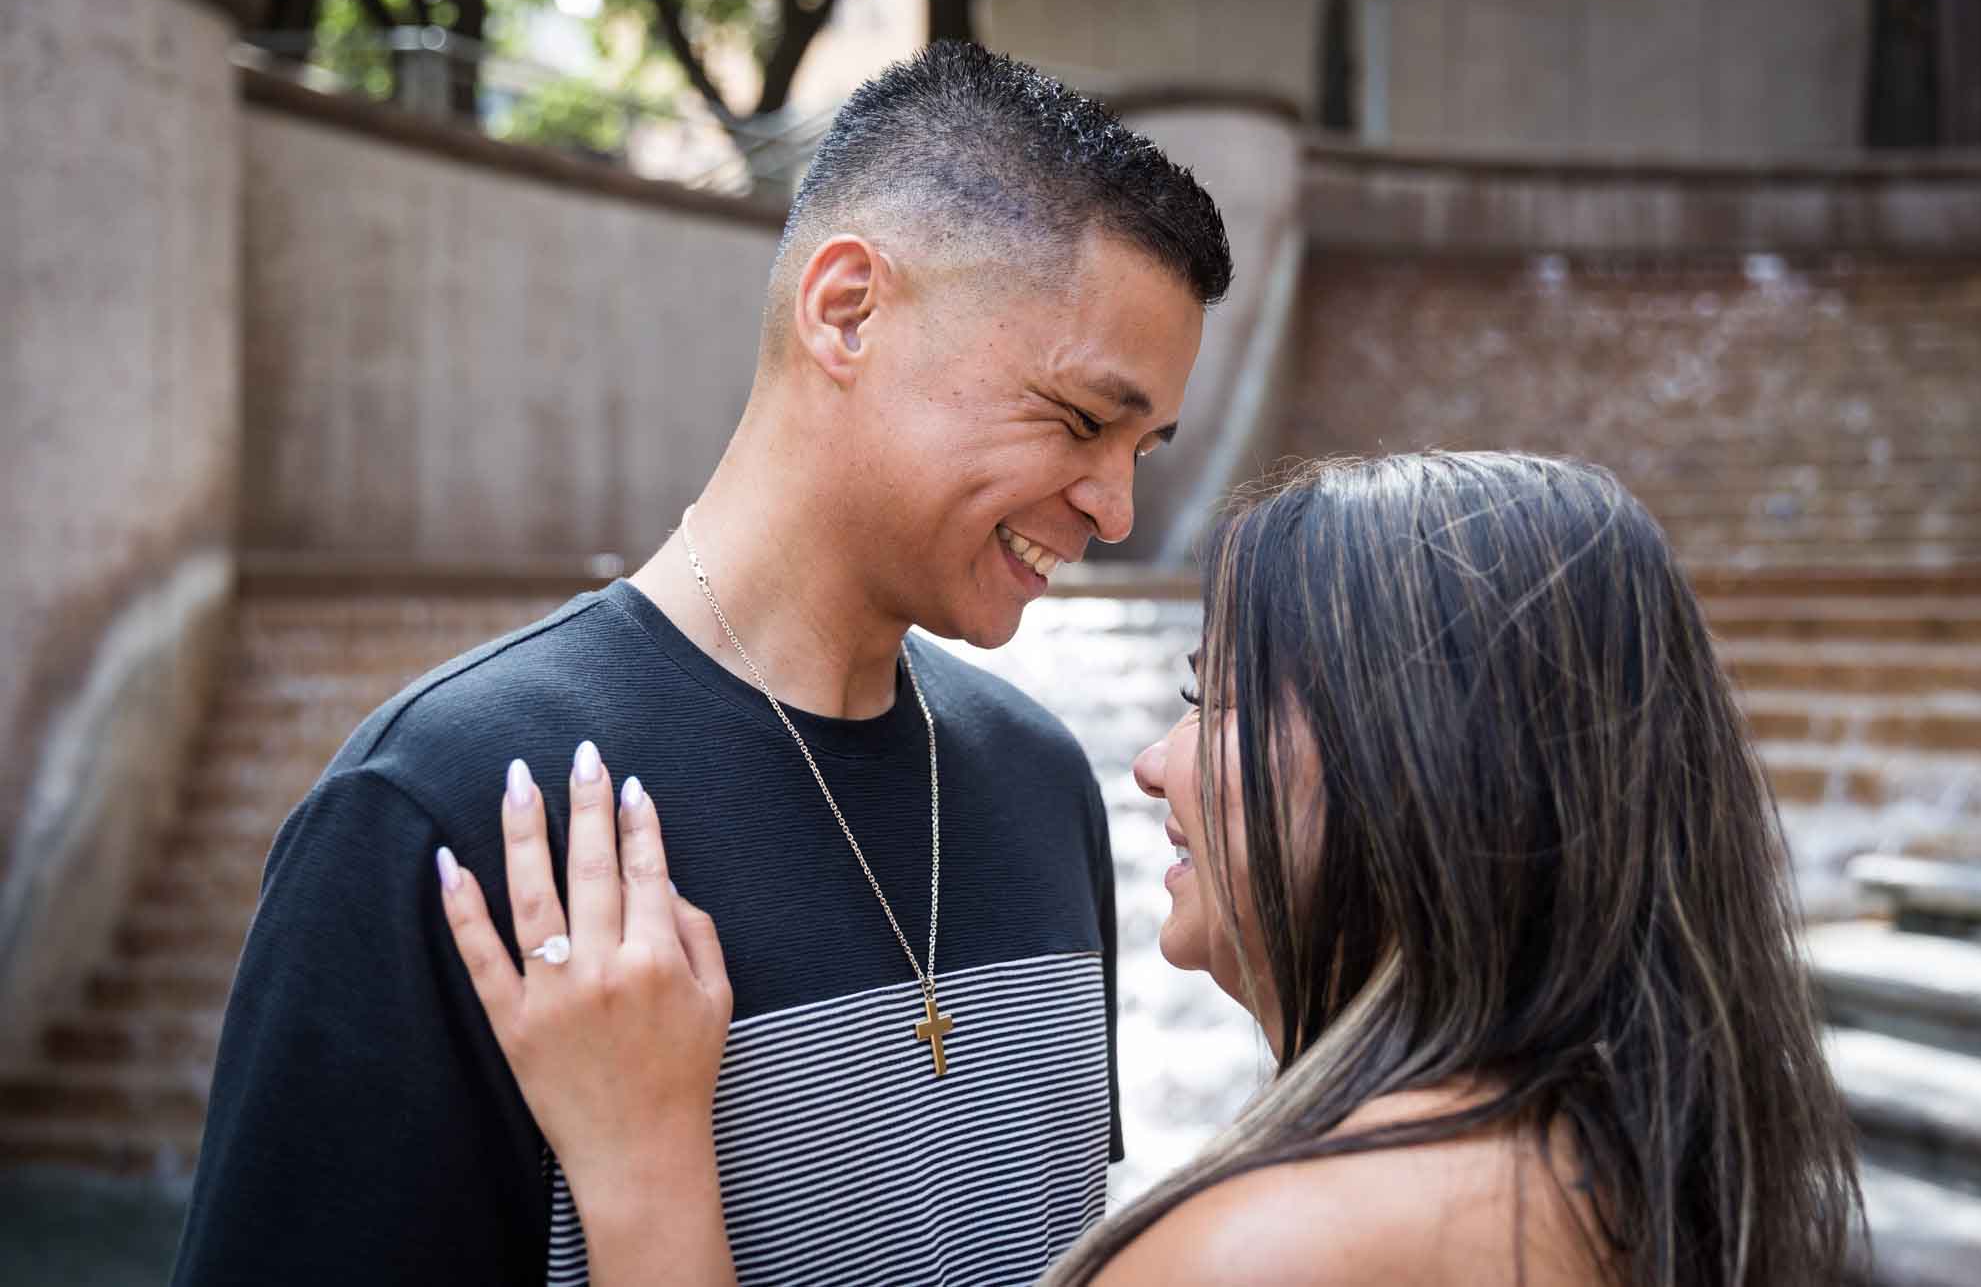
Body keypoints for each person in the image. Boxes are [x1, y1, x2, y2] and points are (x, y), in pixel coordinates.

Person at [171, 42, 1231, 1286]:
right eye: (1078, 419)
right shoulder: (443, 808)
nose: (1113, 508)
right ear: (847, 311)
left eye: (1144, 448)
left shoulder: (1041, 781)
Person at [442, 452, 1865, 1286]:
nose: (1156, 762)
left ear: (1421, 767)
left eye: (1222, 696)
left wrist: (641, 1182)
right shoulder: (1638, 1152)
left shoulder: (1275, 1254)